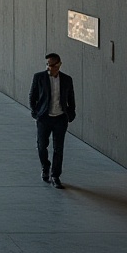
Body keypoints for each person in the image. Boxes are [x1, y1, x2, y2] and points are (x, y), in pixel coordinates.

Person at [29, 53, 76, 188]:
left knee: (58, 148)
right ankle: (45, 167)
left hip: (60, 119)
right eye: (47, 65)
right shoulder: (39, 77)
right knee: (41, 145)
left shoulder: (67, 80)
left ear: (59, 65)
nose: (48, 68)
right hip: (44, 118)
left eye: (51, 65)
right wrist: (35, 112)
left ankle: (55, 175)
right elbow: (32, 96)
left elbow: (71, 98)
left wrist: (71, 113)